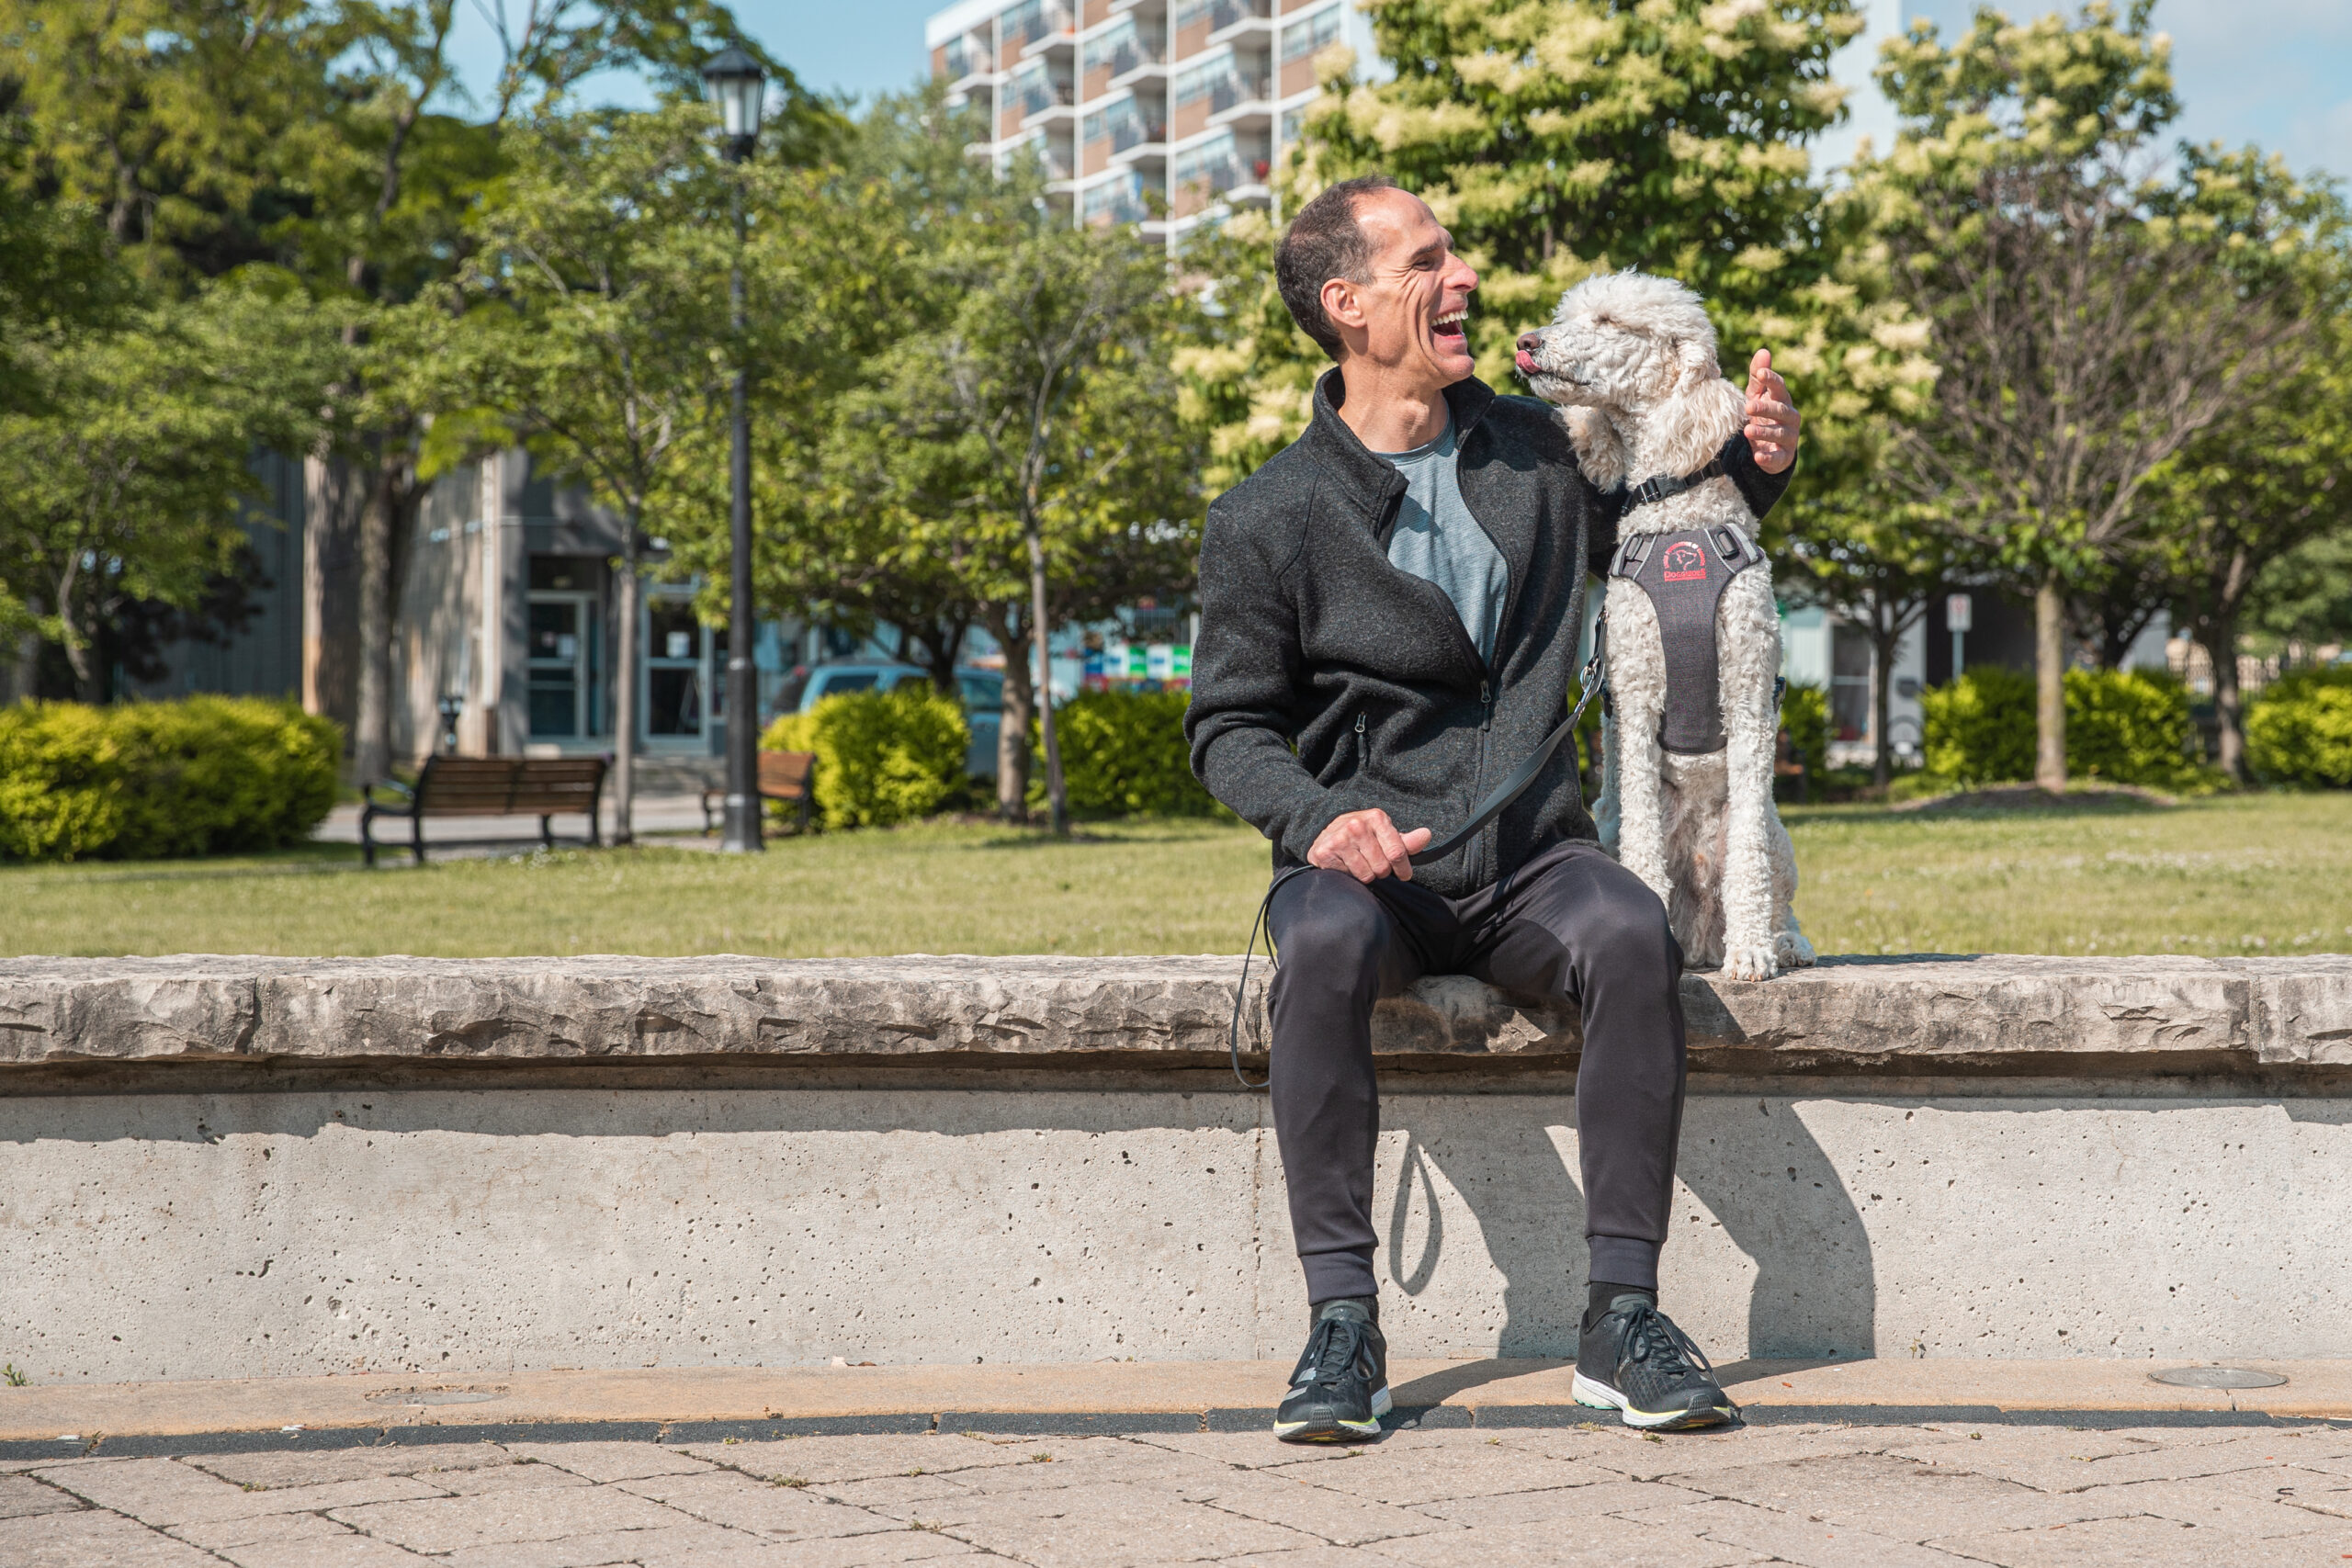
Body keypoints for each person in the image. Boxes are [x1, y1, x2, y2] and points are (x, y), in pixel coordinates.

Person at [1184, 175, 1802, 1442]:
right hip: (1366, 866)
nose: (1463, 276)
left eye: (1455, 253)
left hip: (1532, 862)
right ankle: (1343, 1325)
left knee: (1630, 931)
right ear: (1348, 305)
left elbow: (1657, 527)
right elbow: (1227, 728)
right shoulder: (1265, 517)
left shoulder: (1538, 448)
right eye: (1428, 259)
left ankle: (1620, 1320)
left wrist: (1754, 459)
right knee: (1313, 944)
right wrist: (1316, 824)